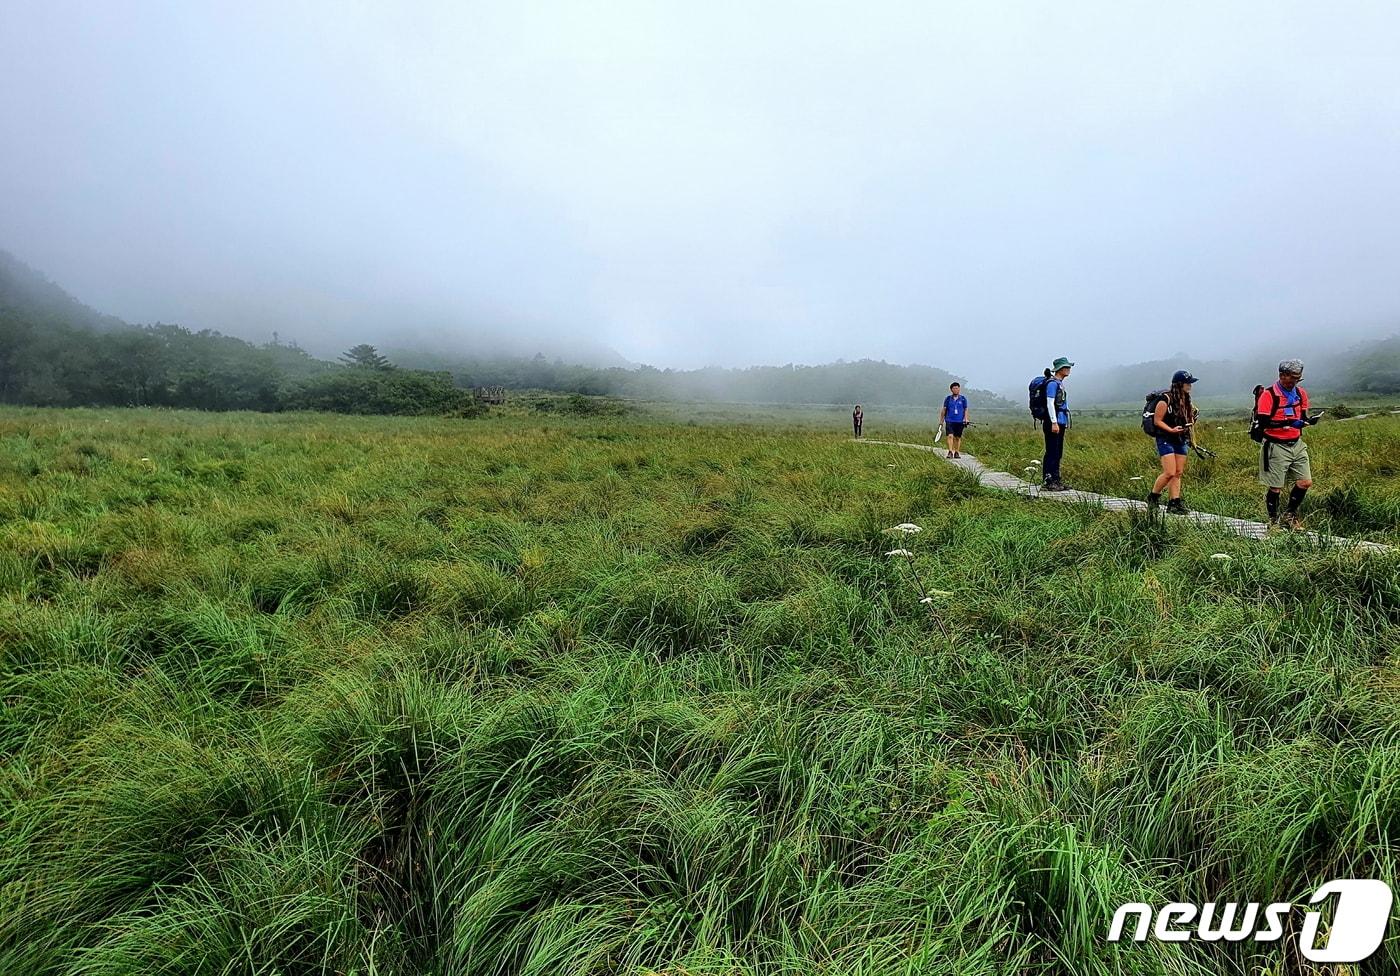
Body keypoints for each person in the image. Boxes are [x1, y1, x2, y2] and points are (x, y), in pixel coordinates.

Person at [1257, 359, 1317, 529]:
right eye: (1292, 378)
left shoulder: (1301, 394)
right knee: (1276, 487)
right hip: (1276, 445)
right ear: (1282, 375)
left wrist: (1307, 421)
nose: (1294, 382)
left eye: (1298, 379)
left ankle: (1290, 514)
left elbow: (1303, 416)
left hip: (1297, 443)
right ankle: (1273, 522)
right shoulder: (1268, 395)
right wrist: (1288, 423)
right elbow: (1263, 424)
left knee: (1305, 482)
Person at [1146, 370, 1198, 514]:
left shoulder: (1186, 399)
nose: (1190, 386)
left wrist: (1190, 421)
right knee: (1169, 472)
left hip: (1179, 438)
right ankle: (1153, 497)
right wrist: (1171, 430)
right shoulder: (1165, 399)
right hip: (1165, 438)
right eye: (1188, 383)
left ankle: (1174, 502)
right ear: (1180, 384)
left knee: (1178, 472)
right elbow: (1157, 421)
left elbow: (1188, 418)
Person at [1041, 357, 1073, 491]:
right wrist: (1054, 422)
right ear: (1060, 369)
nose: (1069, 369)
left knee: (1058, 452)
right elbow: (1050, 403)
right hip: (1053, 422)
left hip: (1060, 421)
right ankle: (1048, 481)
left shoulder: (1059, 383)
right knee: (1052, 451)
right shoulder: (1053, 384)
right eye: (1066, 367)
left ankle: (1056, 480)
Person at [940, 382, 969, 458]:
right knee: (950, 436)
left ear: (959, 389)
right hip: (949, 420)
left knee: (957, 437)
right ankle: (950, 451)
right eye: (954, 388)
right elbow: (944, 410)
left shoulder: (963, 399)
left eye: (957, 388)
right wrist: (941, 421)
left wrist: (966, 418)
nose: (956, 390)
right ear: (951, 390)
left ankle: (956, 452)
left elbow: (965, 409)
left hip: (960, 421)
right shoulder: (948, 399)